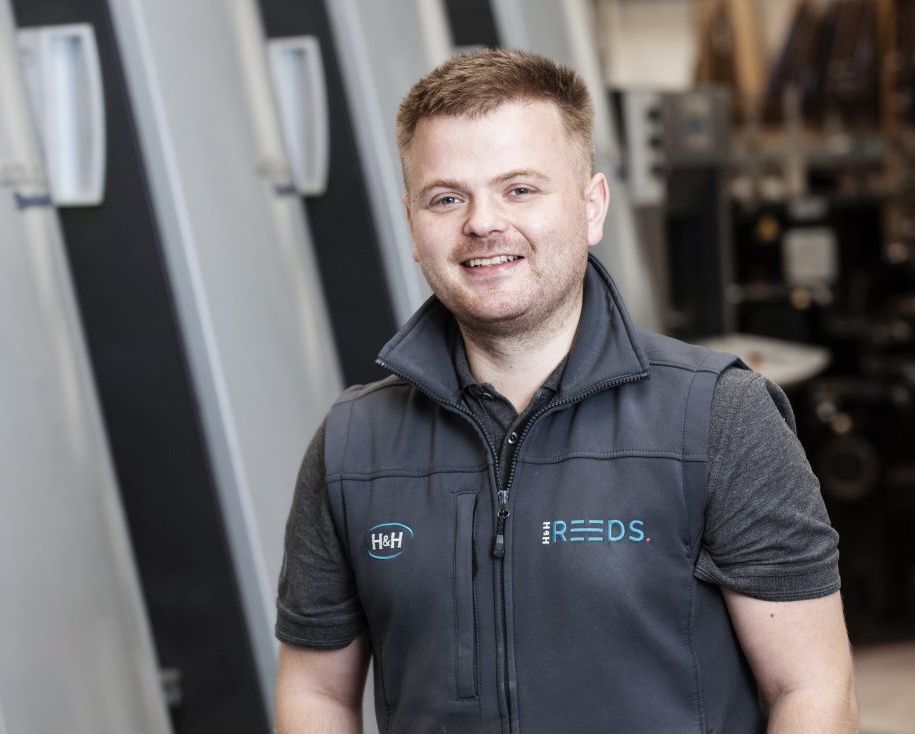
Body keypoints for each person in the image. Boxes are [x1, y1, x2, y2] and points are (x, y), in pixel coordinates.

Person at [275, 49, 857, 733]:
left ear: (592, 206)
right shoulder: (352, 445)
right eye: (446, 197)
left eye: (520, 189)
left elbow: (812, 687)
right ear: (412, 223)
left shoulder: (718, 418)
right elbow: (315, 693)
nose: (483, 222)